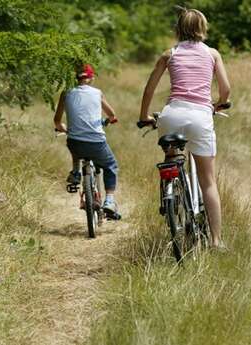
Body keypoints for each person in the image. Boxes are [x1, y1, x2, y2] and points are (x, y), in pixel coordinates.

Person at [138, 8, 231, 248]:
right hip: (200, 115)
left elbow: (149, 89)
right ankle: (216, 240)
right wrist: (218, 104)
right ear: (203, 27)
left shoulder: (169, 54)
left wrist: (144, 115)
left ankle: (171, 190)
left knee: (171, 157)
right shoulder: (212, 54)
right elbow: (226, 90)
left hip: (172, 114)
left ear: (179, 29)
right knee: (207, 180)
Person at [54, 64, 120, 217]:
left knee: (75, 144)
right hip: (96, 142)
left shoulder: (66, 93)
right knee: (111, 165)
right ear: (91, 78)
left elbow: (57, 121)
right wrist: (108, 120)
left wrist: (65, 129)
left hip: (75, 142)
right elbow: (112, 115)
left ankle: (76, 172)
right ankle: (109, 200)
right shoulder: (97, 93)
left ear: (76, 78)